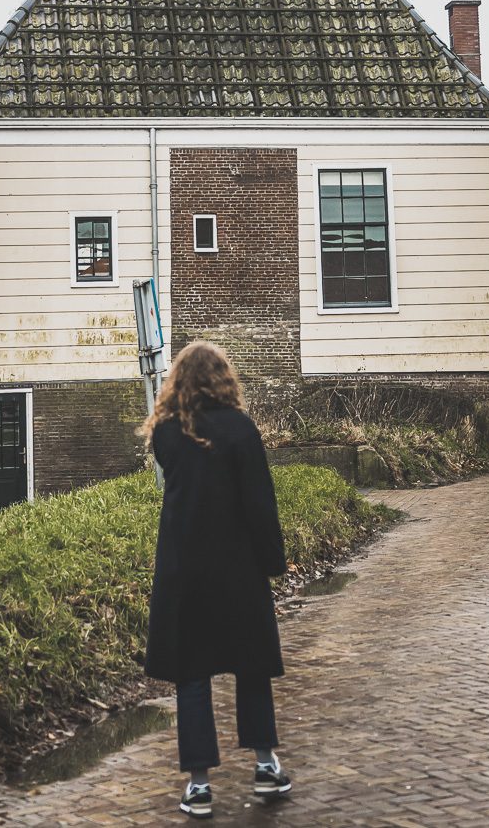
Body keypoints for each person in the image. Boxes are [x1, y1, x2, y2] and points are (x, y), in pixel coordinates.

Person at [141, 339, 292, 819]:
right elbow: (259, 503)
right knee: (251, 667)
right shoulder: (242, 430)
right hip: (239, 569)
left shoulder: (166, 433)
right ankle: (266, 766)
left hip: (186, 571)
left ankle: (199, 785)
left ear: (179, 381)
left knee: (193, 674)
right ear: (224, 378)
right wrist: (273, 561)